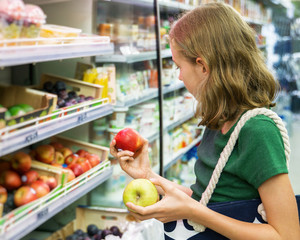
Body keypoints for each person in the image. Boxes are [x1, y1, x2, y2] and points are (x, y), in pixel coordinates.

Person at [110, 2, 300, 239]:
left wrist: (195, 213)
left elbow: (287, 235)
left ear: (203, 67)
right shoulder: (219, 119)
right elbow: (210, 197)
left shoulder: (257, 129)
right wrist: (148, 177)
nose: (178, 76)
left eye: (179, 66)